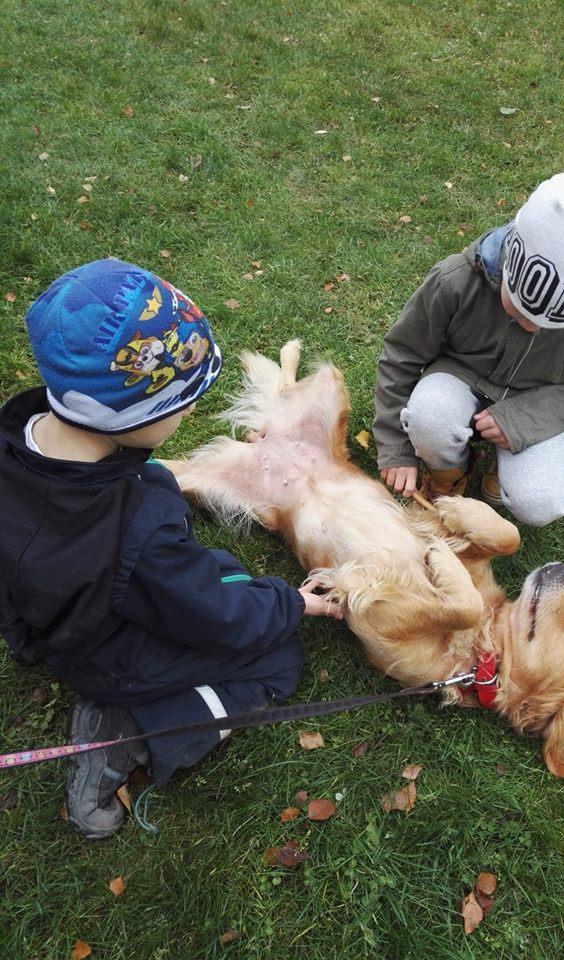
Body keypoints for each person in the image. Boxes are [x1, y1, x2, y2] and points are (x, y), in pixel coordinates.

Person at [0, 259, 342, 839]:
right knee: (276, 660)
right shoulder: (138, 525)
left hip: (56, 624)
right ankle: (127, 731)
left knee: (225, 574)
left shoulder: (16, 440)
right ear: (132, 414)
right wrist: (293, 605)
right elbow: (217, 618)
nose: (188, 411)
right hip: (110, 655)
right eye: (181, 401)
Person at [373, 169, 564, 526]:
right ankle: (448, 473)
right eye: (516, 305)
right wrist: (396, 446)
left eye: (549, 323)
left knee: (540, 503)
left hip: (539, 399)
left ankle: (505, 470)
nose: (530, 326)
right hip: (459, 378)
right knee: (430, 417)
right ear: (511, 259)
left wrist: (522, 420)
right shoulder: (456, 279)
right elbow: (401, 354)